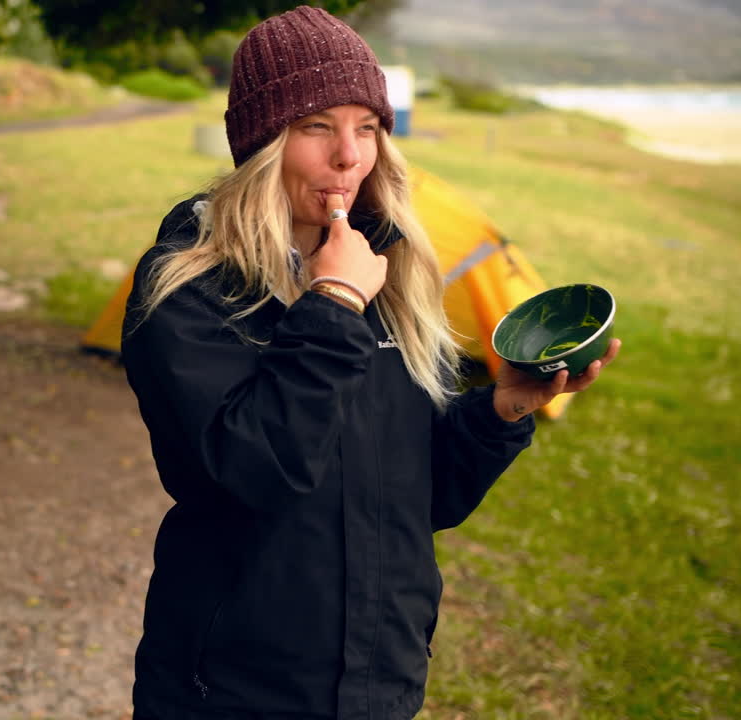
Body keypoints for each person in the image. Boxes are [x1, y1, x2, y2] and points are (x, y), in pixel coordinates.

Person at [120, 6, 621, 720]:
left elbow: (422, 500)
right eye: (317, 126)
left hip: (377, 686)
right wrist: (331, 303)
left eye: (367, 126)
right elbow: (253, 472)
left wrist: (502, 408)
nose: (350, 156)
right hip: (231, 690)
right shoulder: (191, 286)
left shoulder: (389, 271)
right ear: (263, 142)